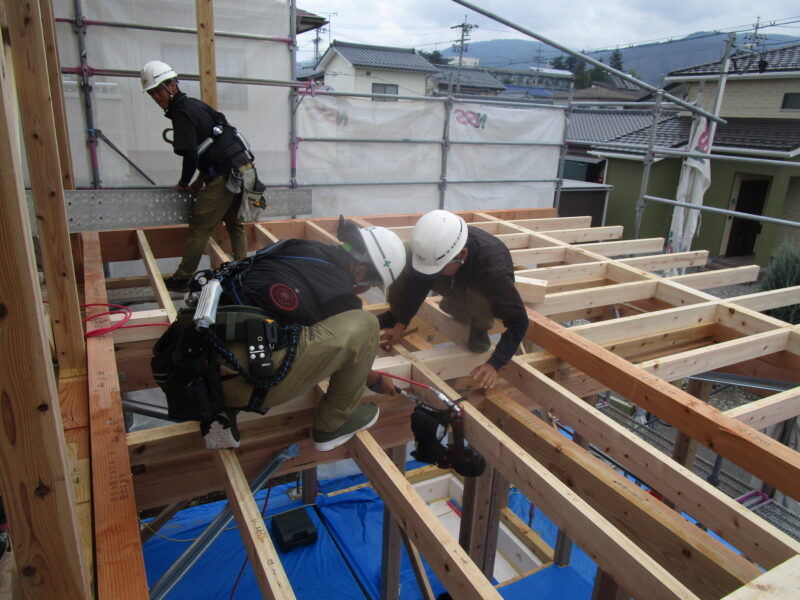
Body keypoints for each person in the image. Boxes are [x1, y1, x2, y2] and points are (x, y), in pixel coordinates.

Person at [153, 217, 407, 452]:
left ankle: (222, 409)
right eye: (372, 283)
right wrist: (373, 379)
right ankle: (332, 425)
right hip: (245, 377)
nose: (367, 289)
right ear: (361, 271)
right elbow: (345, 346)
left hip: (194, 357)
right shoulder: (340, 296)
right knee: (365, 325)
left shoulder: (300, 248)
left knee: (265, 322)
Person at [378, 210, 529, 389]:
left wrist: (495, 364)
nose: (433, 273)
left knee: (479, 297)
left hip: (476, 291)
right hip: (454, 280)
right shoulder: (440, 247)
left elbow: (519, 322)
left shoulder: (493, 273)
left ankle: (478, 326)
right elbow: (421, 283)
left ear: (462, 255)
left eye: (438, 268)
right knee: (405, 255)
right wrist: (400, 324)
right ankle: (396, 315)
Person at [141, 60, 254, 293]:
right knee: (235, 223)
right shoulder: (195, 106)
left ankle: (182, 278)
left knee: (200, 226)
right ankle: (242, 271)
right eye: (152, 94)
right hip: (243, 169)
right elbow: (211, 148)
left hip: (225, 174)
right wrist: (198, 182)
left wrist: (184, 183)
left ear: (172, 86)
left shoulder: (182, 113)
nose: (156, 98)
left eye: (158, 91)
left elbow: (192, 154)